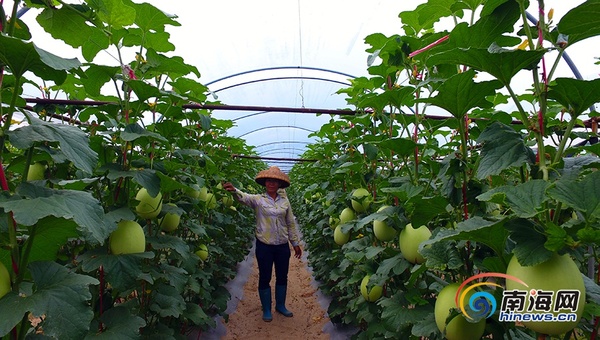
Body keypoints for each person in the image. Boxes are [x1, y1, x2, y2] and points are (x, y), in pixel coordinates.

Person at [223, 166, 302, 322]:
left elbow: (290, 222)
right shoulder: (258, 200)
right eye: (269, 180)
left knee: (282, 276)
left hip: (281, 246)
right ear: (265, 183)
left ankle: (280, 305)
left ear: (279, 184)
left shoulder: (285, 201)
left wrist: (295, 243)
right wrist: (233, 190)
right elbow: (243, 197)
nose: (271, 183)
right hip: (264, 246)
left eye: (275, 181)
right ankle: (266, 309)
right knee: (265, 277)